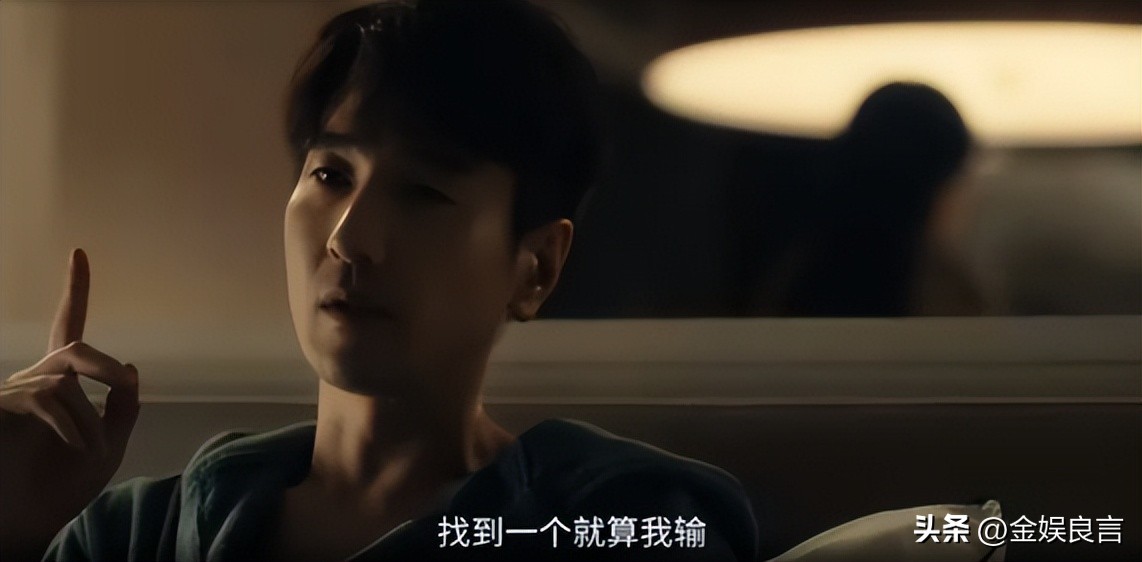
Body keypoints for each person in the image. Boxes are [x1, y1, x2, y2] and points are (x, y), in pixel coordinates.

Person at [0, 1, 758, 561]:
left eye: (424, 192)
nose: (348, 237)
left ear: (536, 267)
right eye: (330, 174)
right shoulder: (136, 535)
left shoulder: (618, 520)